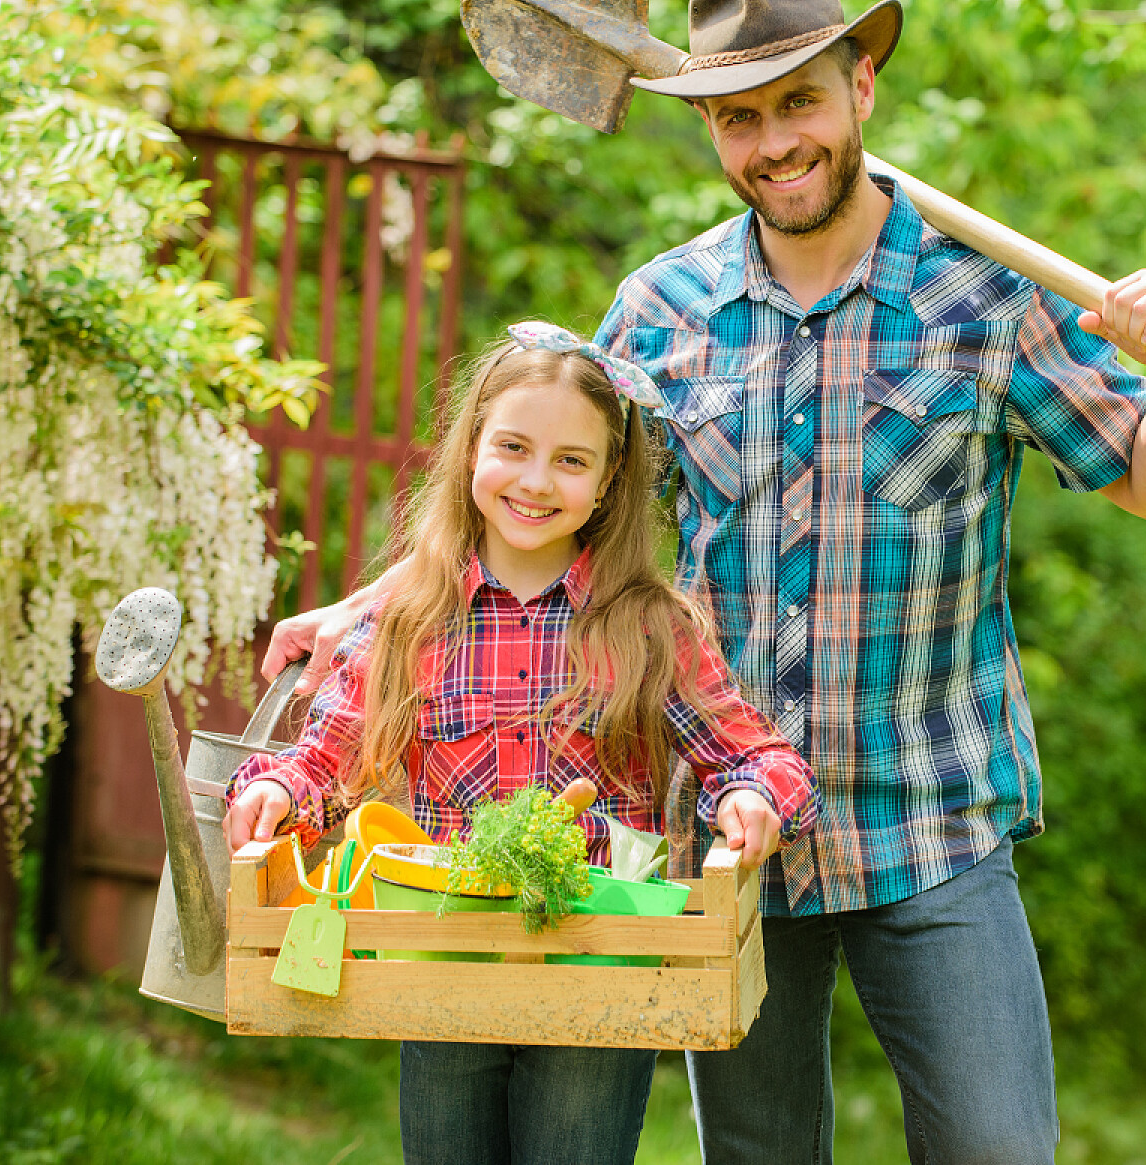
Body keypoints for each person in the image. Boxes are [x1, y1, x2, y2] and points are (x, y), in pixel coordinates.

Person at [266, 0, 1146, 1165]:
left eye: (800, 104)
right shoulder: (662, 309)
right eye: (739, 117)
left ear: (860, 87)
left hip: (929, 818)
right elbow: (541, 509)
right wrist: (359, 612)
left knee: (997, 1148)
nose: (775, 143)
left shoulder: (987, 297)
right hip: (728, 831)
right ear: (710, 127)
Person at [225, 322, 819, 1165]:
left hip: (594, 965)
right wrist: (280, 791)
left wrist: (751, 794)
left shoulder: (649, 627)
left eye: (572, 461)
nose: (536, 481)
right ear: (471, 449)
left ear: (610, 481)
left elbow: (761, 756)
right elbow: (327, 758)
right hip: (445, 958)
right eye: (513, 447)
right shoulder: (408, 620)